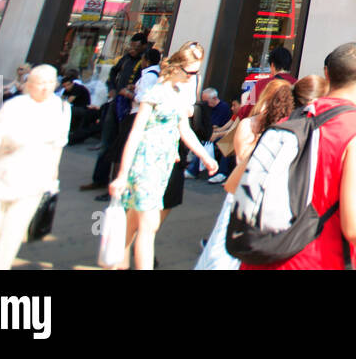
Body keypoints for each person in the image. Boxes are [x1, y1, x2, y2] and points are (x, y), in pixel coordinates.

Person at [242, 43, 356, 270]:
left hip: (261, 256)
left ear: (327, 73)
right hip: (316, 257)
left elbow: (239, 184)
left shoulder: (289, 118)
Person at [107, 42, 216, 270]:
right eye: (191, 72)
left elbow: (184, 129)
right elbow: (136, 132)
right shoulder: (156, 91)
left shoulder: (177, 93)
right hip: (145, 164)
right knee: (149, 226)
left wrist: (204, 157)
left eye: (197, 73)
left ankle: (116, 263)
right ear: (178, 67)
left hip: (162, 165)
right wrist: (122, 173)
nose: (193, 77)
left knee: (133, 222)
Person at [0, 65, 70, 270]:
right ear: (29, 84)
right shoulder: (14, 106)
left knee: (12, 235)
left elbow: (58, 145)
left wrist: (53, 177)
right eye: (41, 83)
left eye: (51, 82)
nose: (46, 87)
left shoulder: (62, 108)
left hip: (34, 183)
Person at [195, 77, 295, 270]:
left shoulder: (278, 129)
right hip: (253, 196)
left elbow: (241, 157)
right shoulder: (257, 125)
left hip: (245, 196)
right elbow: (243, 158)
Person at [84, 33, 149, 190]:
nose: (132, 49)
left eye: (136, 47)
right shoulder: (126, 59)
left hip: (130, 106)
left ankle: (117, 181)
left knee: (122, 143)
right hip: (116, 102)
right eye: (131, 46)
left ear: (143, 47)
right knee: (107, 141)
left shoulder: (145, 63)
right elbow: (113, 72)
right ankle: (99, 178)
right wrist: (112, 88)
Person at [238, 46, 297, 119]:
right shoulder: (298, 85)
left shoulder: (262, 84)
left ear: (272, 65)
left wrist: (239, 110)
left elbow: (248, 111)